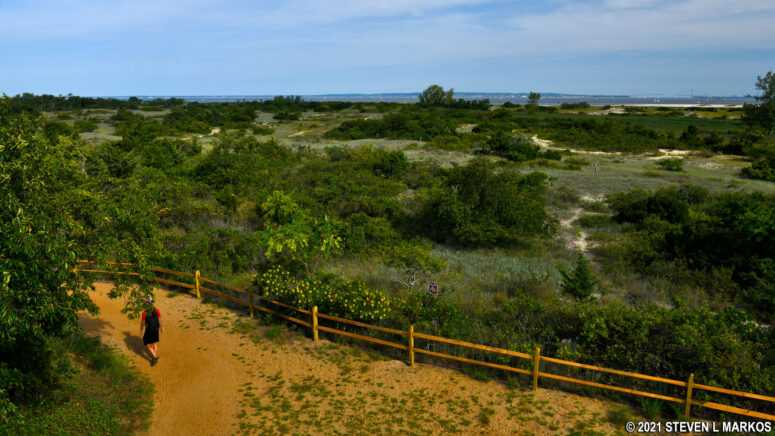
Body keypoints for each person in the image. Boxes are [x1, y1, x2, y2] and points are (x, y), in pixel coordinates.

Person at [139, 296, 164, 366]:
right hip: (156, 328)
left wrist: (141, 331)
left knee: (147, 344)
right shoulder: (157, 310)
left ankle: (155, 356)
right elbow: (159, 320)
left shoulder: (144, 312)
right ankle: (154, 357)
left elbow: (143, 323)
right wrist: (162, 327)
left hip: (149, 329)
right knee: (154, 343)